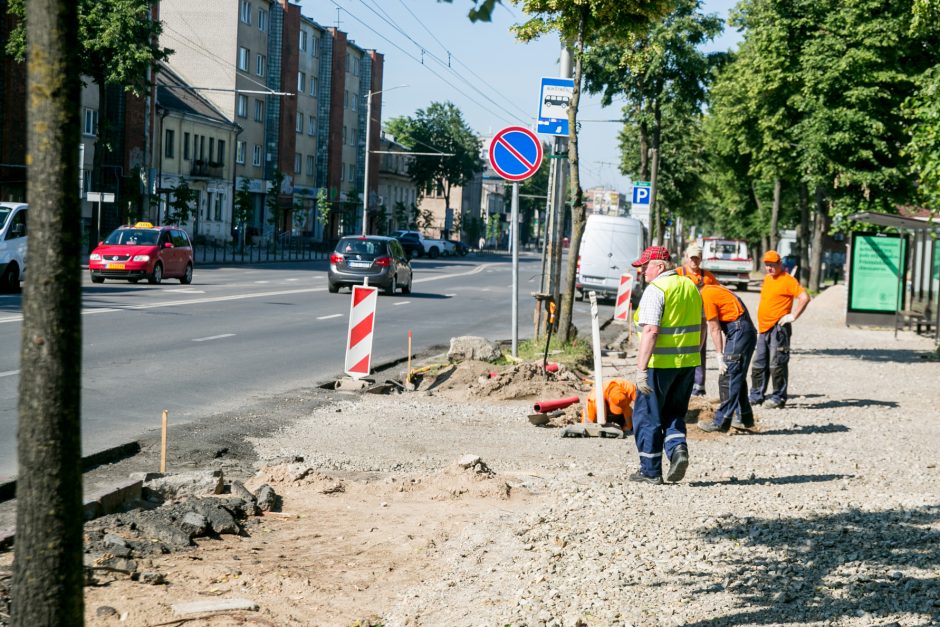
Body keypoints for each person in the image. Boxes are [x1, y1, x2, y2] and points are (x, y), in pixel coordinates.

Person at [629, 245, 705, 484]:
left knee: (647, 416)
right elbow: (703, 325)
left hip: (658, 365)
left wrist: (641, 369)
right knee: (674, 412)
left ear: (659, 267)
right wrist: (694, 353)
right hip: (687, 364)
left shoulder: (657, 289)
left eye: (645, 266)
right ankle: (677, 450)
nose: (642, 271)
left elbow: (651, 330)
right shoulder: (690, 286)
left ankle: (650, 471)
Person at [749, 250, 811, 409]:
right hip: (764, 328)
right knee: (759, 363)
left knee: (777, 364)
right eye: (767, 265)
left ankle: (778, 398)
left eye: (772, 265)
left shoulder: (788, 280)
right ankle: (756, 396)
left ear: (779, 264)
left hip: (779, 328)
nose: (769, 268)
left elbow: (804, 297)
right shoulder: (768, 279)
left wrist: (793, 316)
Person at [695, 282, 758, 432]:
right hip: (743, 330)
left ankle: (720, 422)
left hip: (738, 330)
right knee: (737, 375)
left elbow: (714, 328)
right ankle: (744, 418)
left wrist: (719, 356)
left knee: (728, 375)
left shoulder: (707, 296)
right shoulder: (712, 289)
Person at [676, 244, 719, 396]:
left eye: (697, 258)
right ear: (686, 257)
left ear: (701, 259)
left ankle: (699, 385)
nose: (694, 261)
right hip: (681, 319)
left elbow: (718, 294)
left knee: (698, 351)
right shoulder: (677, 273)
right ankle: (681, 383)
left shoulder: (708, 277)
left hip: (700, 319)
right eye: (692, 257)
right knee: (680, 350)